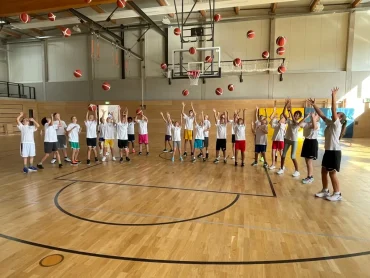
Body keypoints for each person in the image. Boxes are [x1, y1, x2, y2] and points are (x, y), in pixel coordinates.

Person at [308, 87, 347, 201]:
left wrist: (333, 96)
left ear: (339, 118)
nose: (336, 113)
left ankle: (337, 193)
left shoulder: (337, 124)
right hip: (328, 151)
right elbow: (321, 115)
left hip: (334, 152)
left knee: (332, 173)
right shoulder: (330, 123)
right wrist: (314, 105)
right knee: (324, 171)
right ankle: (325, 190)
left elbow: (333, 110)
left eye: (338, 113)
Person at [277, 99, 305, 177]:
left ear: (299, 117)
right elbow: (283, 113)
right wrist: (285, 105)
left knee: (293, 156)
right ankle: (282, 168)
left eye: (297, 115)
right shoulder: (289, 121)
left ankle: (297, 171)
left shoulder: (298, 123)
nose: (296, 116)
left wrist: (291, 111)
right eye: (295, 114)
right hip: (287, 139)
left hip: (294, 141)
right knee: (283, 155)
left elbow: (295, 121)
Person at [300, 112, 320, 184]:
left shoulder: (317, 124)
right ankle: (309, 176)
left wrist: (314, 118)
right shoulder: (307, 123)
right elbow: (299, 124)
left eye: (315, 116)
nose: (313, 116)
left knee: (309, 161)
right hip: (306, 141)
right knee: (306, 160)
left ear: (317, 118)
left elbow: (314, 127)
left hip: (312, 142)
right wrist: (306, 117)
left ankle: (310, 177)